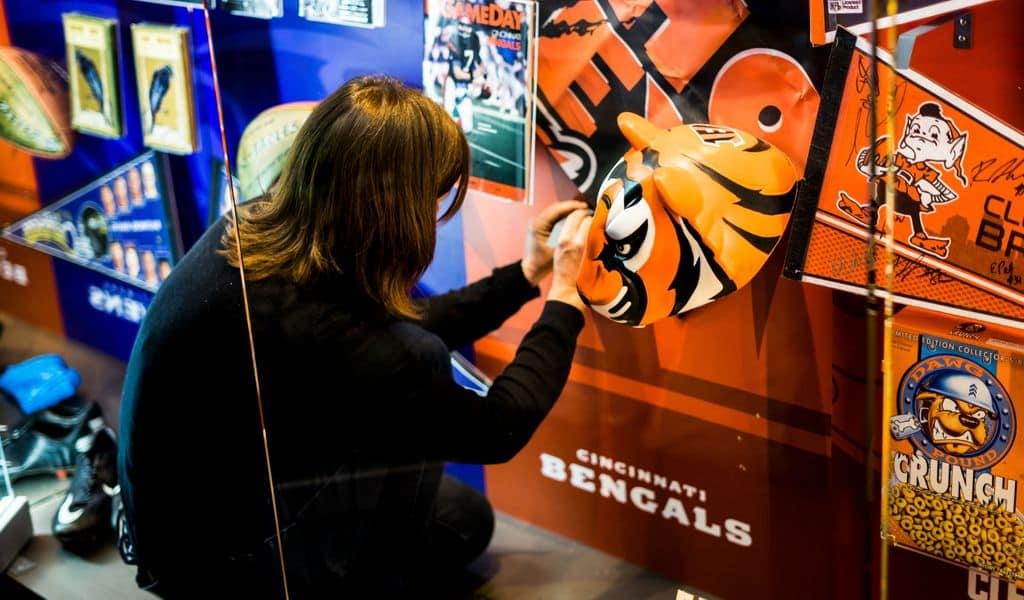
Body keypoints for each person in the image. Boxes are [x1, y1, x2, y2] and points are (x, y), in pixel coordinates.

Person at [118, 75, 591, 598]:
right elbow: (500, 428)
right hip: (219, 569)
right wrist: (565, 296)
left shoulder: (255, 228)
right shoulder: (350, 340)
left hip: (176, 530)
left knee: (456, 508)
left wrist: (525, 274)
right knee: (462, 521)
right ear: (399, 209)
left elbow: (386, 336)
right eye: (432, 200)